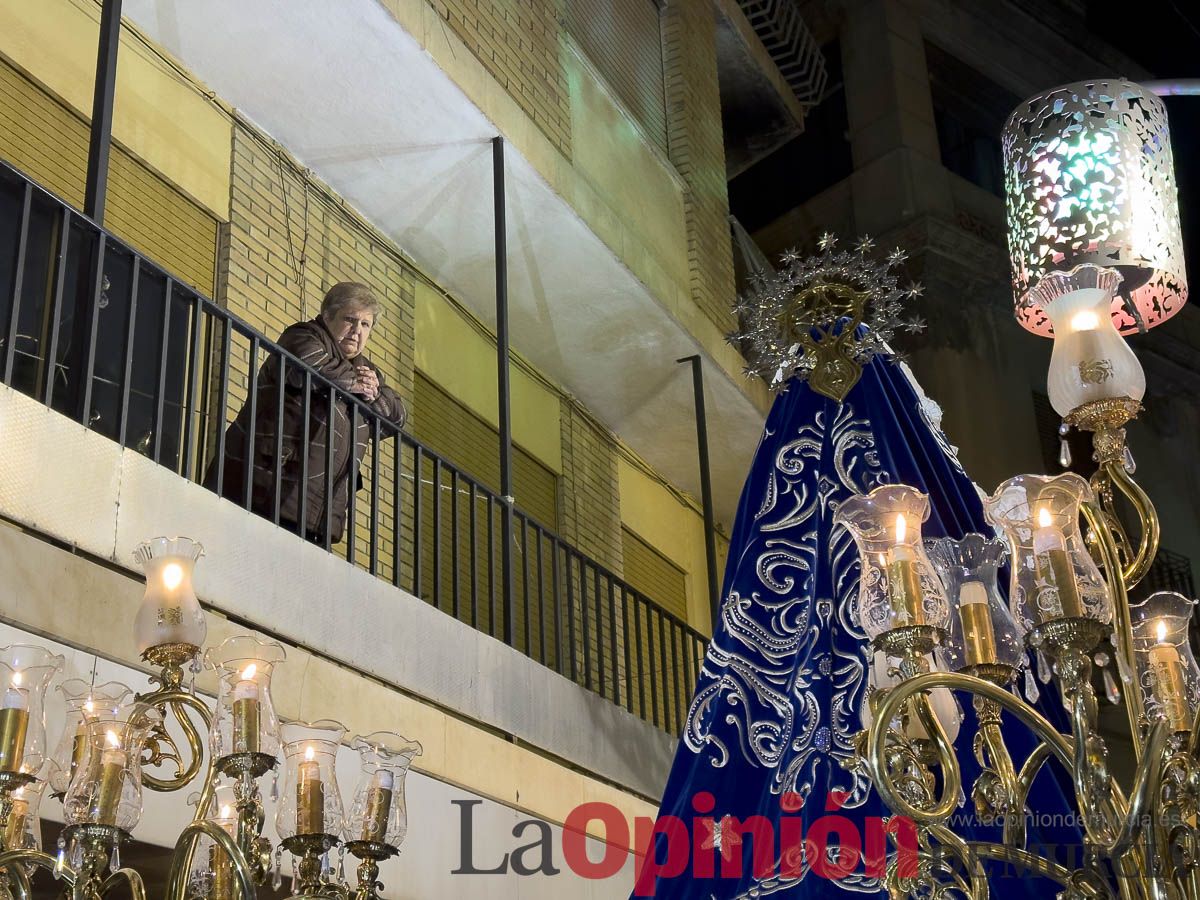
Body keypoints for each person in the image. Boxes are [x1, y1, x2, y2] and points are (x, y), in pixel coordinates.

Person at [204, 282, 407, 545]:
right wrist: (360, 387)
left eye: (365, 325)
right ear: (327, 316)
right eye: (350, 319)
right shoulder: (302, 336)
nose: (357, 331)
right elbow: (313, 366)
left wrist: (375, 394)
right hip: (262, 490)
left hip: (319, 516)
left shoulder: (370, 374)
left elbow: (397, 416)